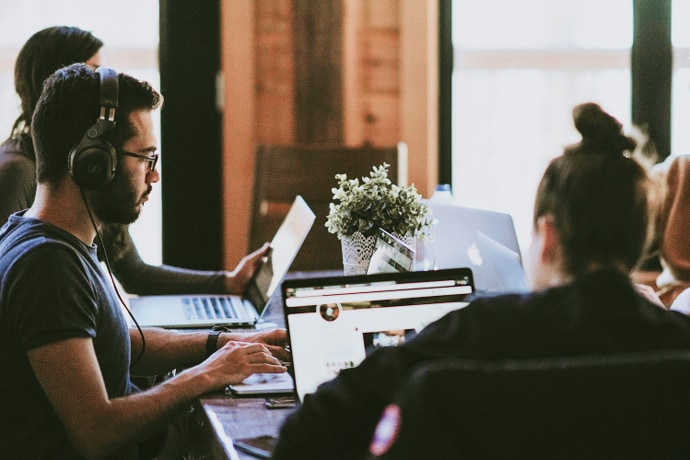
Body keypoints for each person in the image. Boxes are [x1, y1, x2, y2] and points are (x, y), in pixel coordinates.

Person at [272, 102, 690, 459]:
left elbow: (304, 434)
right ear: (639, 243)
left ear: (547, 237)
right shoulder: (678, 340)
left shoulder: (478, 331)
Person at [0, 63, 288, 459]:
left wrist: (223, 344)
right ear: (94, 162)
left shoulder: (54, 241)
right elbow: (97, 432)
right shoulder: (47, 266)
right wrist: (209, 374)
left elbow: (119, 340)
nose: (154, 177)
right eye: (147, 158)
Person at [0, 25, 267, 296]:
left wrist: (227, 282)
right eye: (93, 74)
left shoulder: (100, 168)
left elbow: (135, 273)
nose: (108, 91)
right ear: (57, 83)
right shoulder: (17, 172)